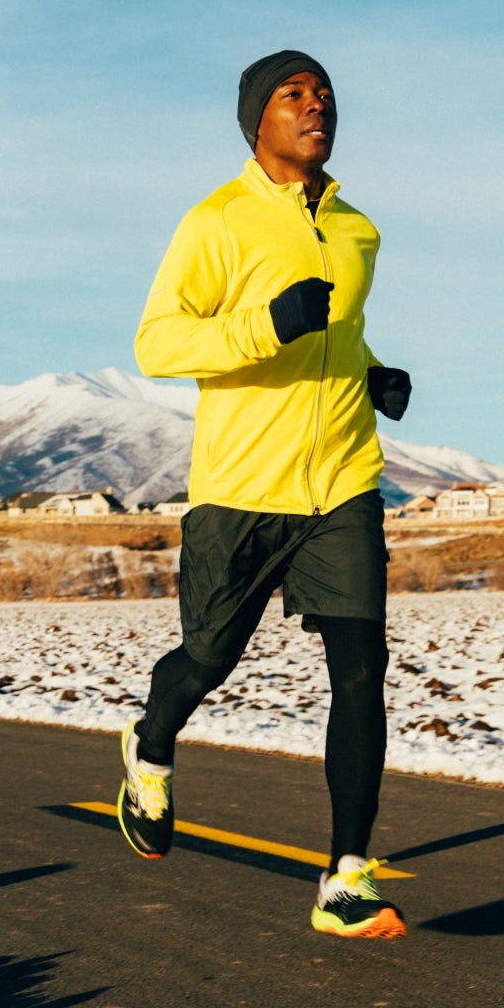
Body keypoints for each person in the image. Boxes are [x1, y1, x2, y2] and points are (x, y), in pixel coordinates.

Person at [120, 50, 416, 939]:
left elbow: (341, 331)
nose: (315, 104)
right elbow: (158, 344)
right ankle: (150, 744)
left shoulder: (359, 228)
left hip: (343, 481)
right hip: (243, 484)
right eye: (294, 95)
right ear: (258, 120)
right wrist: (266, 324)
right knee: (207, 659)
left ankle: (346, 878)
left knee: (364, 674)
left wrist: (372, 373)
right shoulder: (217, 220)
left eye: (323, 94)